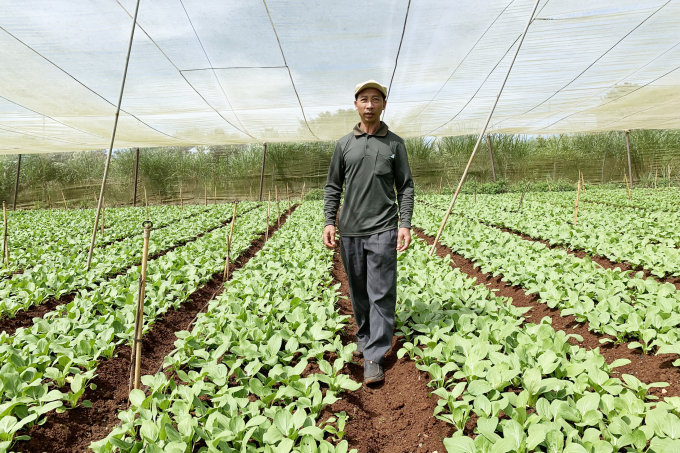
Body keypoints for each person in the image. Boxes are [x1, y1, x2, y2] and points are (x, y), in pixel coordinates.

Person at [323, 80, 414, 384]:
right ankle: (365, 338)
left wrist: (404, 224)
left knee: (381, 293)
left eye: (376, 99)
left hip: (384, 228)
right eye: (364, 99)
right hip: (350, 231)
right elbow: (333, 186)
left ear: (384, 105)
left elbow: (406, 186)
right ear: (356, 105)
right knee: (359, 293)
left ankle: (374, 355)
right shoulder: (344, 144)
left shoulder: (395, 144)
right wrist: (329, 221)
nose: (370, 104)